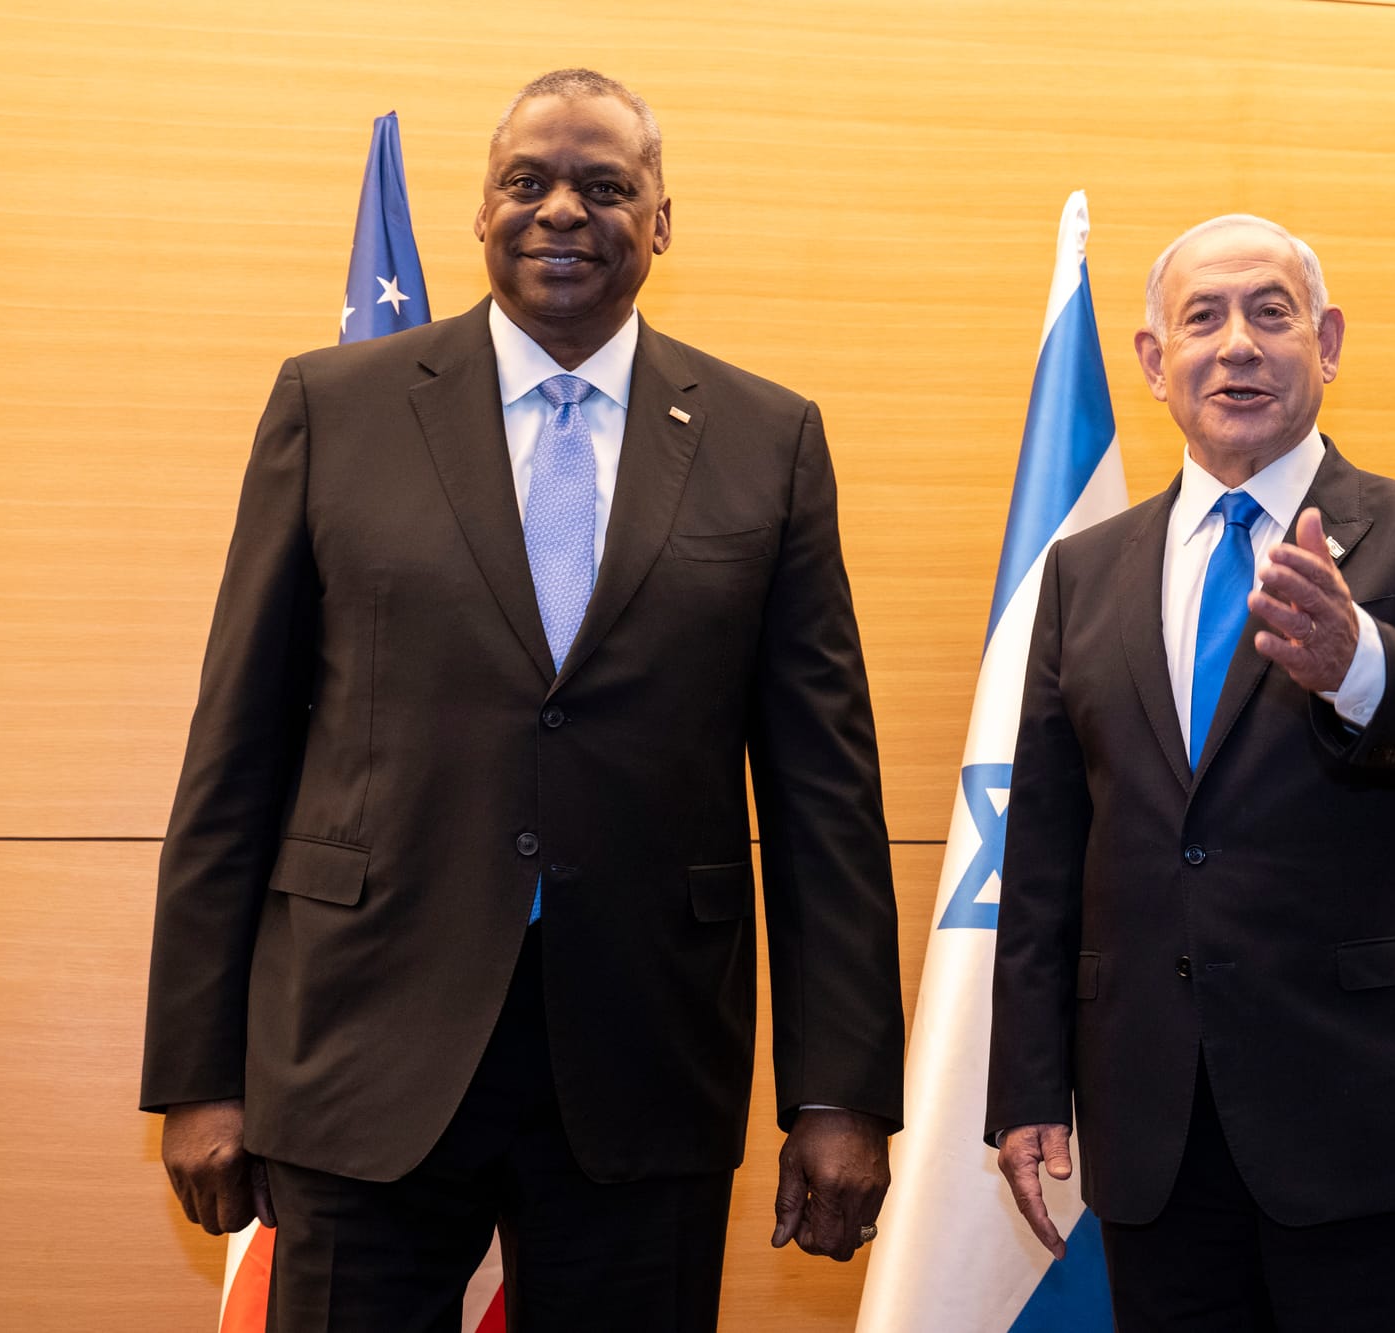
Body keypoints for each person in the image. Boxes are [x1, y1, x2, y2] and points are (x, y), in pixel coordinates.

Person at [140, 68, 903, 1332]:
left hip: (644, 1055)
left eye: (603, 186)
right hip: (359, 1046)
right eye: (526, 181)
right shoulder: (334, 409)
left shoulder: (766, 439)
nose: (560, 210)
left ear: (660, 221)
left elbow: (824, 795)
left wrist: (838, 1093)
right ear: (479, 211)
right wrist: (199, 1071)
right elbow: (237, 753)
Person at [986, 214, 1395, 1331]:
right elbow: (1043, 849)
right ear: (1154, 361)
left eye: (1270, 313)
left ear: (1326, 343)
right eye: (1203, 318)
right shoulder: (1081, 573)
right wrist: (1028, 1087)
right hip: (1156, 1138)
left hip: (1376, 1129)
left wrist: (1356, 661)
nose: (1237, 344)